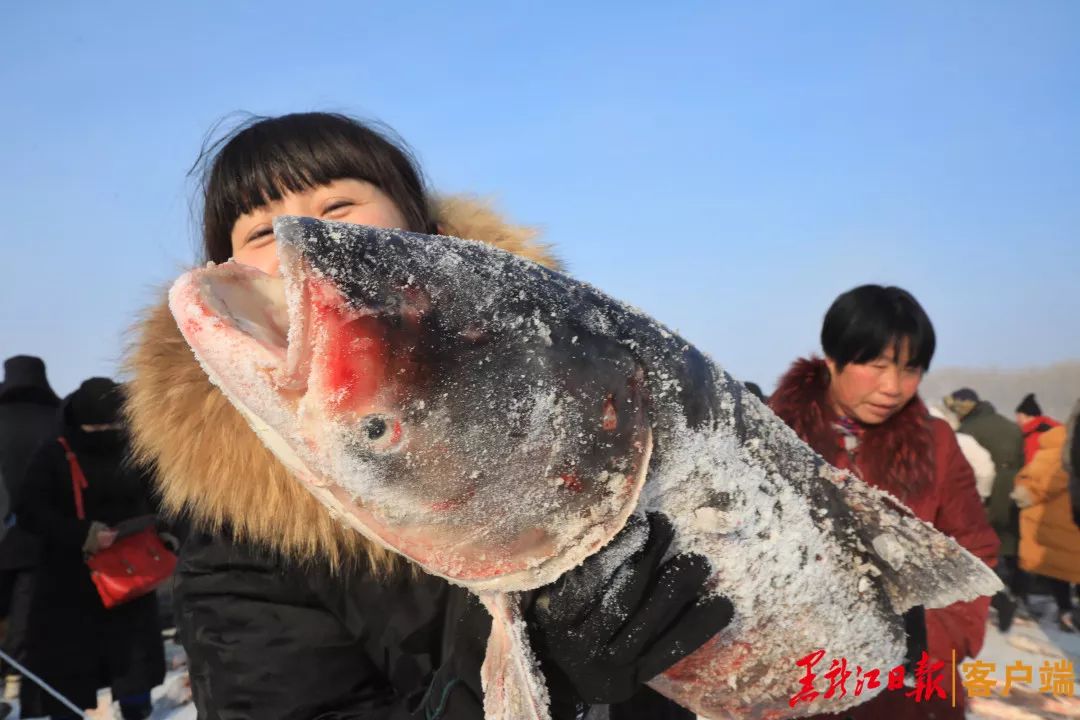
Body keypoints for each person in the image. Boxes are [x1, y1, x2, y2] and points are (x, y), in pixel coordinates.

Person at [123, 112, 732, 719]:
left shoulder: (594, 389)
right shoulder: (240, 531)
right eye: (260, 231)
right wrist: (511, 683)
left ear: (432, 236)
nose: (298, 238)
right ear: (229, 293)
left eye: (337, 206)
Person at [768, 284, 999, 720]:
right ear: (833, 359)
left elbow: (976, 552)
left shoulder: (937, 443)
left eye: (910, 369)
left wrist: (930, 639)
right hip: (800, 683)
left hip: (908, 688)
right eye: (876, 366)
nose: (893, 387)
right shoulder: (774, 441)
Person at [16, 378, 166, 719]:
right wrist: (82, 533)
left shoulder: (128, 450)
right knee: (90, 667)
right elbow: (29, 512)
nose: (106, 432)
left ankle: (130, 709)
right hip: (84, 581)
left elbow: (164, 503)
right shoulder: (60, 454)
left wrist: (162, 536)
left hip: (115, 578)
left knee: (123, 668)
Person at [0, 356, 59, 706]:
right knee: (27, 609)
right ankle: (15, 679)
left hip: (3, 534)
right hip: (42, 535)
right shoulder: (55, 418)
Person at [944, 387, 1025, 628]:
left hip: (987, 492)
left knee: (974, 550)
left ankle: (997, 598)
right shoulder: (1008, 425)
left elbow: (972, 467)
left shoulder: (969, 431)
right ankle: (1013, 593)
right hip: (1013, 487)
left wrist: (978, 497)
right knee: (1008, 543)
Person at [1010, 417, 1080, 632]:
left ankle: (1065, 611)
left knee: (1056, 566)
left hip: (1056, 517)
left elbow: (1044, 480)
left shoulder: (1056, 448)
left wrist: (1024, 493)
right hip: (1068, 514)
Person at [1015, 393, 1062, 463]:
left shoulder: (1033, 434)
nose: (1017, 421)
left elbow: (1030, 462)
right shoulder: (1054, 428)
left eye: (1019, 417)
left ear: (1030, 416)